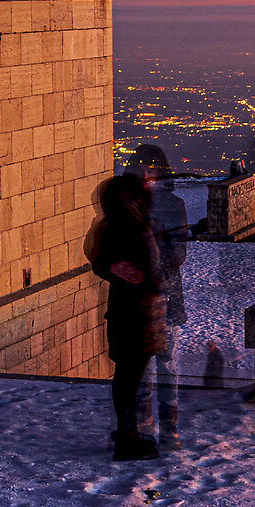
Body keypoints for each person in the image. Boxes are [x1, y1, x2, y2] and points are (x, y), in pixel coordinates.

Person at [85, 172, 164, 460]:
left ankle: (127, 433)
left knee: (127, 378)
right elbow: (154, 269)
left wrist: (112, 268)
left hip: (124, 312)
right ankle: (127, 439)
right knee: (130, 379)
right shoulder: (133, 228)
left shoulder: (112, 226)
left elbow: (99, 261)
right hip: (138, 314)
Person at [133, 143, 189, 445]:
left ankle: (168, 426)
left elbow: (178, 252)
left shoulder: (171, 205)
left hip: (163, 295)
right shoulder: (128, 204)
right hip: (139, 296)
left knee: (166, 363)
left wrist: (150, 263)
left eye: (150, 168)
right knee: (142, 365)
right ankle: (145, 425)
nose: (145, 173)